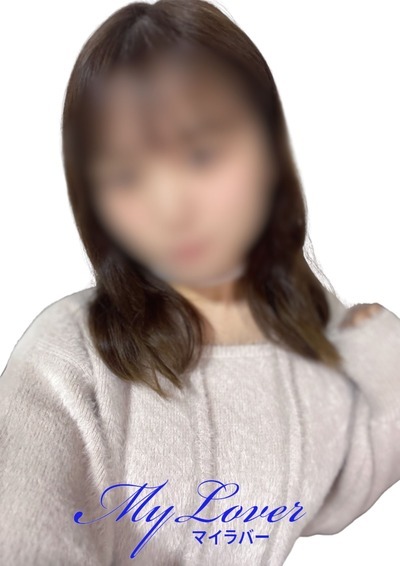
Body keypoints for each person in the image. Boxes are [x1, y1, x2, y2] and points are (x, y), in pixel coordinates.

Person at [1, 1, 399, 565]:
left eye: (202, 154)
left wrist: (381, 349)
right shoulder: (67, 356)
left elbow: (339, 493)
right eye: (126, 175)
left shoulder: (313, 343)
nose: (171, 206)